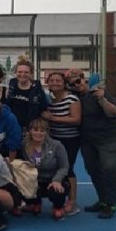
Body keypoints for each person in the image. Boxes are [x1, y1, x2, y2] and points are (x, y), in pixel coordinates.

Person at [66, 69, 116, 219]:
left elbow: (114, 112)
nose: (76, 85)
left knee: (109, 169)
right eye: (72, 83)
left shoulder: (100, 92)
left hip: (107, 138)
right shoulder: (75, 97)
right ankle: (103, 201)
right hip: (87, 140)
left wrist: (102, 99)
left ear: (84, 79)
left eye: (78, 81)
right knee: (93, 170)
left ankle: (110, 204)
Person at [41, 71, 81, 216]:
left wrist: (53, 118)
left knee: (68, 168)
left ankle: (72, 201)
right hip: (54, 140)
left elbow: (76, 119)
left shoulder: (71, 99)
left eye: (58, 80)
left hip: (70, 139)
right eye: (52, 80)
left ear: (64, 83)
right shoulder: (50, 100)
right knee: (58, 168)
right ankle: (59, 200)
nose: (55, 83)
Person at [20, 118, 70, 220]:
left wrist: (57, 180)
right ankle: (35, 203)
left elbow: (64, 166)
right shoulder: (23, 145)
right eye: (35, 130)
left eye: (42, 130)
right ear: (30, 131)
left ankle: (58, 207)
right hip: (35, 180)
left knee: (57, 191)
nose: (38, 133)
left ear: (47, 132)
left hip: (53, 179)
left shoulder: (57, 145)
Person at [6, 59, 48, 132]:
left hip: (32, 129)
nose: (22, 74)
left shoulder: (37, 89)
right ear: (16, 72)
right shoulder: (11, 87)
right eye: (20, 72)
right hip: (13, 127)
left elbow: (43, 108)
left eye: (26, 72)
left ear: (31, 74)